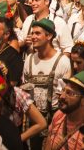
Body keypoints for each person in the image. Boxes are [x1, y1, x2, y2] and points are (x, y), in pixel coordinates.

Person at [21, 18, 72, 150]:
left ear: (49, 36)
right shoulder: (29, 60)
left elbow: (65, 96)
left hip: (53, 121)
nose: (33, 37)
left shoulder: (63, 61)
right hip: (32, 122)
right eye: (32, 33)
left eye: (37, 33)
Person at [43, 71, 84, 150]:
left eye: (69, 93)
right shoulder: (59, 115)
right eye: (63, 90)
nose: (62, 96)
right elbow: (49, 140)